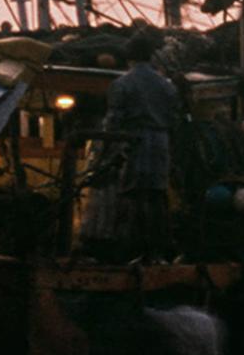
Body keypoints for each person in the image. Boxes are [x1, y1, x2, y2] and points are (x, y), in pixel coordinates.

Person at [72, 32, 179, 257]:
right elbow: (173, 117)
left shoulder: (122, 84)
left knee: (129, 193)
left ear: (129, 57)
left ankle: (127, 246)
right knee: (156, 194)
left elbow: (113, 121)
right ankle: (159, 247)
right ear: (151, 56)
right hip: (160, 144)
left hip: (132, 143)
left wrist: (103, 153)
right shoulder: (166, 85)